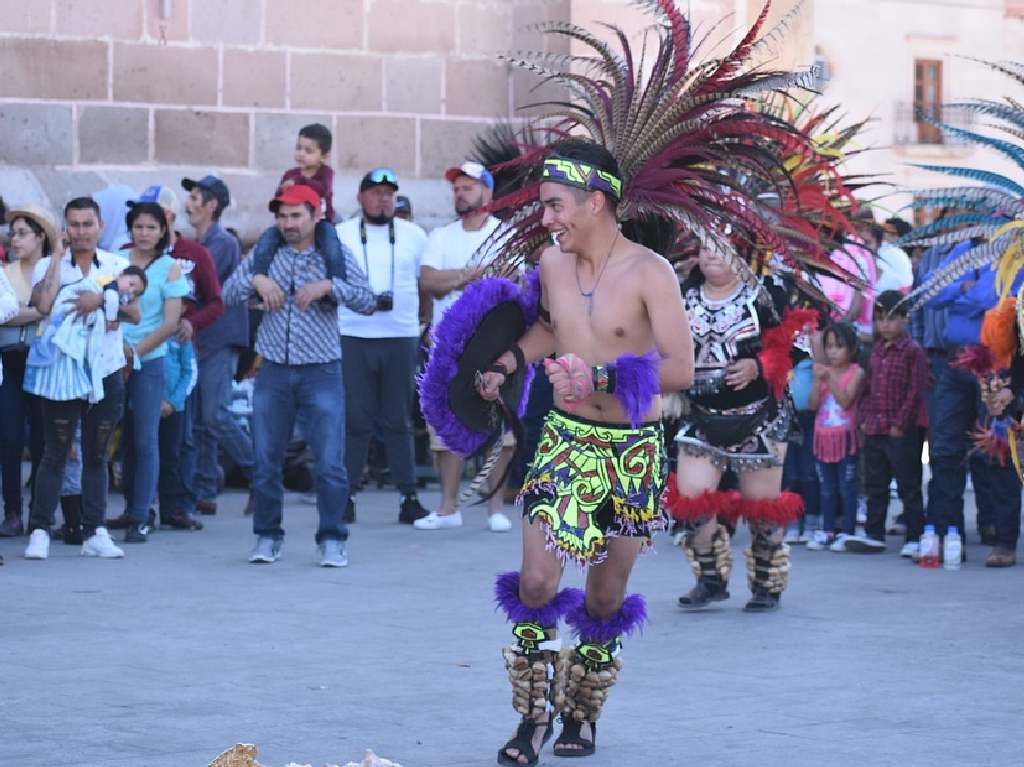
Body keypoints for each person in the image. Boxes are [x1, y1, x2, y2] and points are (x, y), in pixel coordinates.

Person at [476, 140, 693, 762]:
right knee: (538, 583)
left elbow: (679, 368)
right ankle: (531, 719)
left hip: (631, 452)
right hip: (565, 443)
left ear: (595, 202)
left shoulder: (652, 272)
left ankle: (581, 712)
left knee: (603, 598)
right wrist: (506, 362)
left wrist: (599, 380)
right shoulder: (550, 264)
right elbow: (552, 327)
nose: (545, 218)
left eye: (554, 205)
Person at [221, 183, 374, 567]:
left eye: (295, 216)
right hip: (272, 370)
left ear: (314, 215)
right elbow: (228, 293)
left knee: (329, 463)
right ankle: (267, 536)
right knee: (266, 459)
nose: (288, 223)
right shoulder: (266, 252)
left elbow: (367, 299)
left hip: (322, 370)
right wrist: (258, 279)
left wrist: (329, 286)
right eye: (282, 216)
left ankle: (333, 538)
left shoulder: (333, 252)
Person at [665, 249, 812, 611]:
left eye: (721, 249)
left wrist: (760, 365)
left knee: (763, 509)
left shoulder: (769, 293)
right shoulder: (681, 293)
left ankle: (766, 585)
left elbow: (799, 343)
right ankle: (711, 580)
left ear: (743, 256)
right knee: (691, 501)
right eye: (704, 248)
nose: (710, 255)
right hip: (700, 416)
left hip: (758, 417)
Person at [23, 197, 142, 561]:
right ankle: (40, 529)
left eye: (87, 224)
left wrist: (101, 302)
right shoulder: (48, 263)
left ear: (100, 226)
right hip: (61, 373)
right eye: (74, 225)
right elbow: (41, 305)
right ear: (64, 229)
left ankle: (96, 530)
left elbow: (135, 314)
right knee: (54, 454)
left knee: (95, 454)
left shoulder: (118, 266)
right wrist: (57, 258)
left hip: (104, 372)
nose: (81, 232)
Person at [417, 161, 513, 531]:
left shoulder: (505, 235)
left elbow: (509, 279)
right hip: (448, 346)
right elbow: (428, 279)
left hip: (493, 345)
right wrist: (468, 276)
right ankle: (447, 509)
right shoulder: (440, 236)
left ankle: (496, 510)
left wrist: (456, 279)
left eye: (468, 187)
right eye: (457, 188)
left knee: (497, 430)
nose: (461, 193)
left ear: (488, 193)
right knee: (445, 426)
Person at [336, 168, 430, 524]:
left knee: (398, 419)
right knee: (355, 420)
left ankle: (408, 496)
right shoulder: (341, 234)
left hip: (400, 334)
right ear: (361, 198)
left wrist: (423, 322)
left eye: (389, 193)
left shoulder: (414, 234)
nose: (383, 199)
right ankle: (345, 495)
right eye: (375, 193)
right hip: (353, 334)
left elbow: (426, 282)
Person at [110, 200, 188, 543]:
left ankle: (142, 514)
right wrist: (119, 353)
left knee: (145, 438)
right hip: (110, 356)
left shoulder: (171, 269)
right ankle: (127, 506)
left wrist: (135, 355)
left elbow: (171, 322)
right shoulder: (117, 262)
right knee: (118, 437)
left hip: (149, 358)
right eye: (138, 227)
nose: (144, 233)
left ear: (162, 231)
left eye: (151, 227)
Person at [182, 175, 254, 516]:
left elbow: (195, 284)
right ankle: (205, 489)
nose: (189, 203)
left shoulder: (221, 243)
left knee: (216, 414)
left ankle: (260, 474)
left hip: (219, 339)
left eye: (196, 197)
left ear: (212, 205)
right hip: (202, 338)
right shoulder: (205, 241)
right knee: (201, 420)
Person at [846, 291, 928, 553]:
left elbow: (915, 391)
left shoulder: (913, 351)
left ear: (905, 319)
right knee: (875, 483)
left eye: (891, 319)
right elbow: (868, 388)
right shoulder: (876, 351)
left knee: (908, 484)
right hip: (875, 427)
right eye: (880, 319)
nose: (885, 325)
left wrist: (900, 423)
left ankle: (915, 536)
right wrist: (863, 420)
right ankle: (874, 533)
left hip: (901, 430)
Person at [0, 205, 57, 537]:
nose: (15, 239)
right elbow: (9, 315)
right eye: (13, 233)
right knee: (9, 437)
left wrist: (23, 312)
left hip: (42, 358)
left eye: (23, 233)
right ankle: (12, 510)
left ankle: (40, 512)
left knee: (42, 438)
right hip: (9, 357)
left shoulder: (51, 271)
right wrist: (36, 311)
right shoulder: (5, 272)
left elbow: (55, 309)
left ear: (40, 237)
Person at [807, 322, 864, 551]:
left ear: (851, 348)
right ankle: (828, 529)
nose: (832, 352)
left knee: (846, 487)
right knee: (827, 488)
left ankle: (848, 531)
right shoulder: (822, 372)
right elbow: (812, 405)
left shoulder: (857, 372)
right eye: (829, 346)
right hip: (823, 439)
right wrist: (815, 381)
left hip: (845, 439)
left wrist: (829, 379)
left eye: (838, 346)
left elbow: (846, 400)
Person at [279, 122, 335, 223]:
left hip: (321, 222)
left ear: (324, 156)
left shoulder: (326, 172)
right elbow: (279, 198)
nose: (301, 154)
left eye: (308, 151)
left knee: (329, 238)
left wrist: (301, 180)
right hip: (291, 221)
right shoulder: (289, 174)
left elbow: (323, 190)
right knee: (270, 236)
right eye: (298, 148)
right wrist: (283, 190)